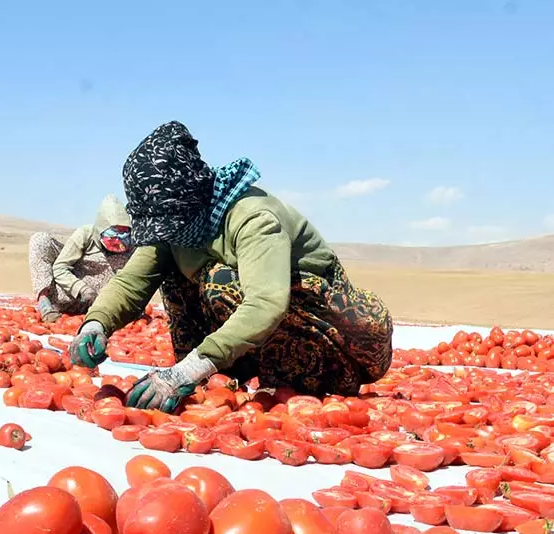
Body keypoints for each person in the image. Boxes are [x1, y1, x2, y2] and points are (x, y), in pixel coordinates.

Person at [70, 121, 393, 412]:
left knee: (218, 279)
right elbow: (132, 281)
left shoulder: (253, 216)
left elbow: (266, 303)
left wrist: (191, 368)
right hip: (268, 327)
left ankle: (308, 378)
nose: (162, 231)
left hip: (338, 336)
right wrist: (96, 324)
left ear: (189, 201)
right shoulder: (177, 226)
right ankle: (223, 377)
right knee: (177, 277)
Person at [28, 195, 133, 323]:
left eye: (123, 235)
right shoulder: (86, 234)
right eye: (113, 236)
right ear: (101, 229)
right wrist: (82, 289)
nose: (118, 242)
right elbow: (60, 267)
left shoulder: (133, 243)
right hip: (69, 293)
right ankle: (45, 304)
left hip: (105, 302)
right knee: (40, 240)